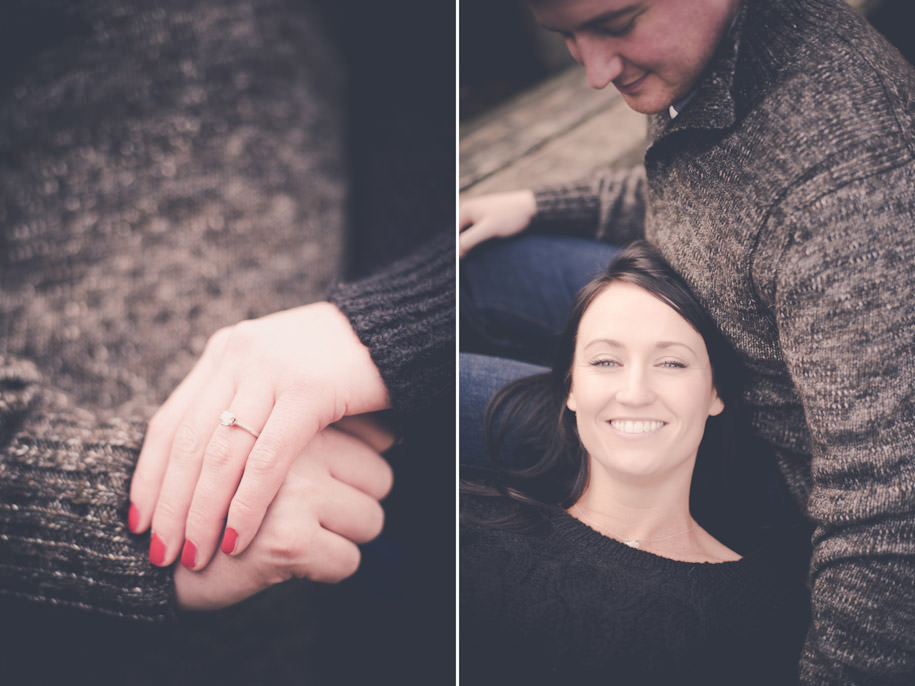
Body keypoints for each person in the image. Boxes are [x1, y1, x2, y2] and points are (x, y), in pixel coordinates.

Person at [459, 0, 915, 682]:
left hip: (760, 455)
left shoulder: (851, 187)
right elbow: (707, 199)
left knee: (423, 386)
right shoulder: (702, 49)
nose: (593, 70)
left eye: (615, 25)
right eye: (567, 37)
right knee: (471, 264)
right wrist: (535, 205)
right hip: (693, 302)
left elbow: (887, 514)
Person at [0, 0, 454, 683]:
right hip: (70, 619)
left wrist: (390, 331)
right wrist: (110, 499)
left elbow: (412, 114)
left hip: (338, 567)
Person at [461, 242, 804, 685]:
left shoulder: (769, 611)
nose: (635, 392)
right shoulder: (466, 526)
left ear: (715, 393)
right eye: (606, 361)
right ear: (570, 388)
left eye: (671, 362)